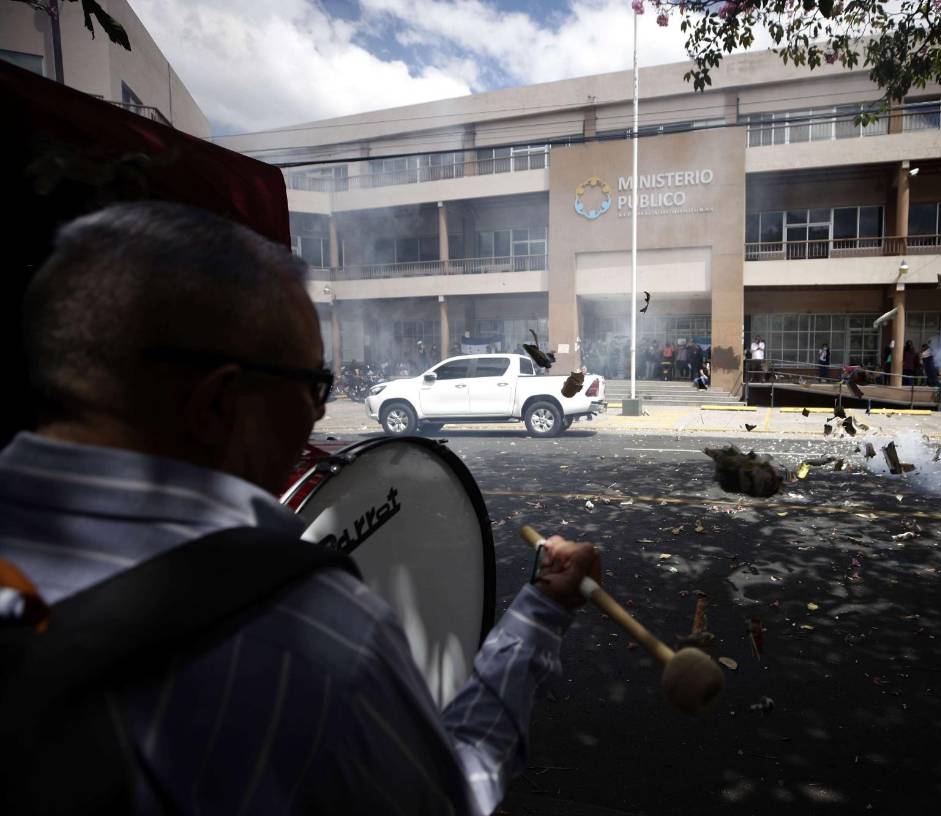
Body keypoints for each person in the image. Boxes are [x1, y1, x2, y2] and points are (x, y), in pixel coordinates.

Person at [0, 202, 600, 814]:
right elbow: (453, 795)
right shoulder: (311, 638)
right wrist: (540, 616)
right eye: (313, 383)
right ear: (216, 405)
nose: (318, 414)